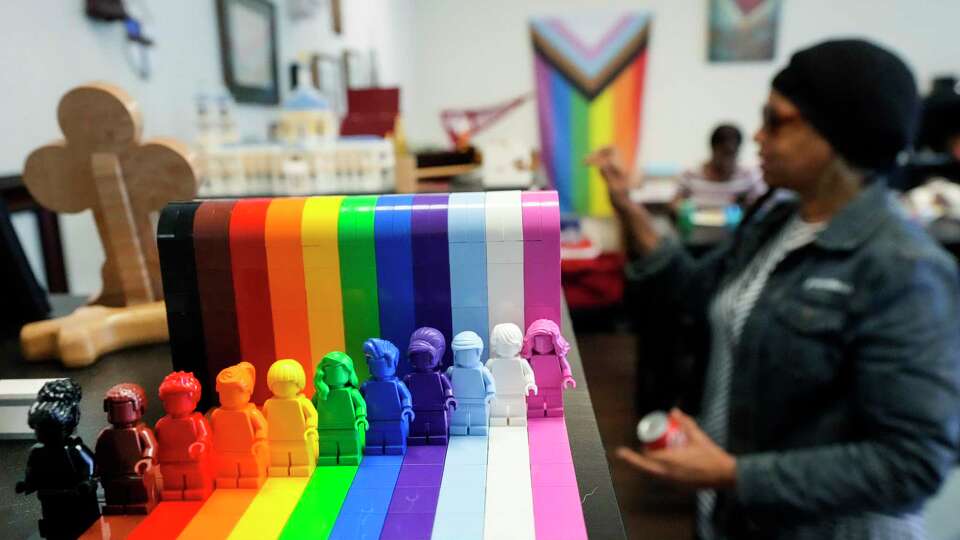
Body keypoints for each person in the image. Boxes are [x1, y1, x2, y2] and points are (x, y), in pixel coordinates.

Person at [588, 39, 960, 539]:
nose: (758, 136)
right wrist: (624, 203)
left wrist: (733, 474)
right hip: (737, 516)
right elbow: (688, 289)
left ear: (836, 134)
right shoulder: (776, 223)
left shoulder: (901, 267)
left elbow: (912, 463)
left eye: (776, 120)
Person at [676, 124, 765, 209]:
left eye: (732, 154)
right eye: (724, 153)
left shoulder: (748, 176)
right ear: (713, 148)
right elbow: (675, 202)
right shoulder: (691, 174)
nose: (727, 160)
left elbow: (763, 205)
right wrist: (681, 209)